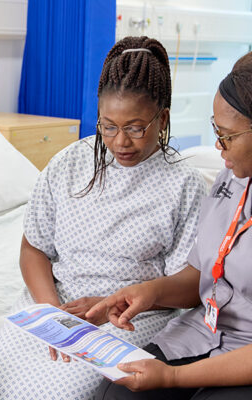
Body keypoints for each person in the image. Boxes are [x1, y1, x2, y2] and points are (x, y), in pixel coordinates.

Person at [0, 36, 206, 399]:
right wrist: (51, 314)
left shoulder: (185, 186)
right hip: (53, 305)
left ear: (162, 119)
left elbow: (192, 285)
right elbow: (33, 247)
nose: (120, 142)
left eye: (135, 127)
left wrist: (114, 302)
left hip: (129, 319)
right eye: (108, 126)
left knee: (67, 391)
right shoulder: (69, 163)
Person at [87, 51, 252, 400]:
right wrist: (149, 293)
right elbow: (203, 276)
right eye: (215, 131)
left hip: (245, 356)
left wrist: (173, 379)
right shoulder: (232, 178)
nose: (218, 145)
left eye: (228, 136)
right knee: (116, 394)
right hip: (203, 333)